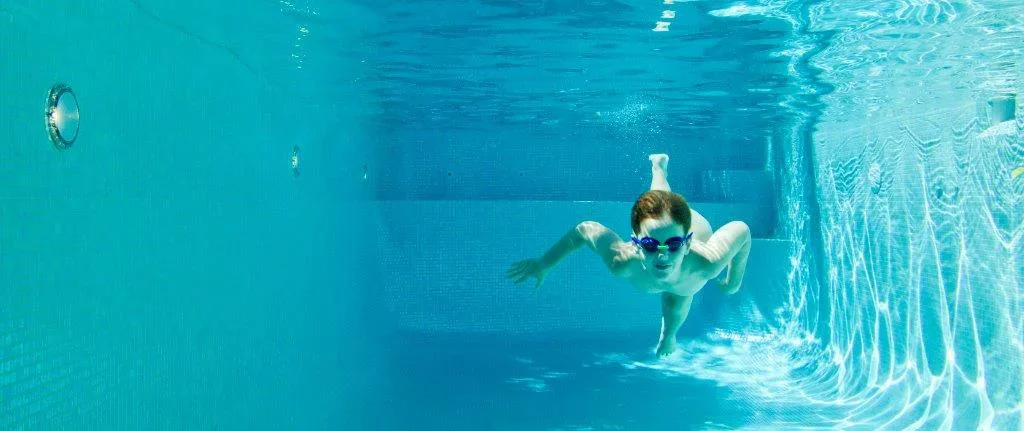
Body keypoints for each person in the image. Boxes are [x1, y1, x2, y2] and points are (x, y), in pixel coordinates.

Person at [506, 154, 752, 358]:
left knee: (677, 298)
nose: (662, 255)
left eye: (674, 245)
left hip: (693, 227)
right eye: (649, 244)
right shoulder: (622, 262)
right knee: (658, 203)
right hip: (669, 233)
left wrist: (734, 282)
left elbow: (742, 229)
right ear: (635, 244)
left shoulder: (707, 263)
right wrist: (544, 264)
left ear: (686, 244)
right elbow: (584, 229)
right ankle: (658, 167)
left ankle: (659, 169)